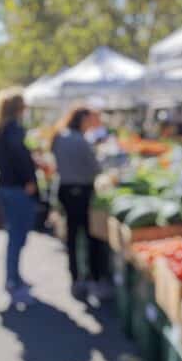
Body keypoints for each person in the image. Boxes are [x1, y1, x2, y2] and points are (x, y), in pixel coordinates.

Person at [51, 106, 106, 300]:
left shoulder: (60, 137)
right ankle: (93, 278)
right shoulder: (80, 140)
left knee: (73, 236)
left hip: (65, 190)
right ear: (82, 119)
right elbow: (95, 168)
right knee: (91, 236)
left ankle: (76, 278)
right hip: (81, 191)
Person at [0, 87, 37, 305]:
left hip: (4, 186)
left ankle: (14, 277)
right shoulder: (14, 130)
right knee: (18, 235)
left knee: (14, 235)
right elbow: (21, 159)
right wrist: (29, 180)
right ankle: (13, 280)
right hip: (17, 187)